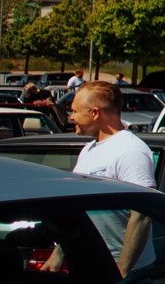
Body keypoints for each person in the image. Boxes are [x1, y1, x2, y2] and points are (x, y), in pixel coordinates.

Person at [67, 81, 157, 270]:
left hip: (124, 270)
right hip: (92, 264)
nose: (71, 117)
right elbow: (77, 209)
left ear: (95, 113)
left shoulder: (131, 150)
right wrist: (58, 256)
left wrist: (122, 270)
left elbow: (142, 215)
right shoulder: (88, 149)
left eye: (75, 111)